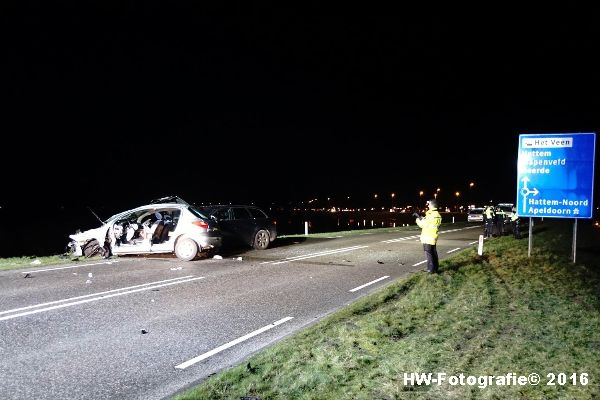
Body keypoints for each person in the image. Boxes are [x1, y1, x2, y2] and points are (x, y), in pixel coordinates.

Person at [415, 199, 442, 274]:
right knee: (433, 253)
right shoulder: (437, 214)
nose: (428, 205)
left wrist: (417, 219)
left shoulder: (431, 214)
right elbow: (428, 222)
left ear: (432, 205)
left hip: (427, 236)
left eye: (429, 204)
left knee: (429, 254)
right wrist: (421, 217)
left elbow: (423, 224)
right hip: (433, 236)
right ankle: (435, 269)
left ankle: (430, 270)